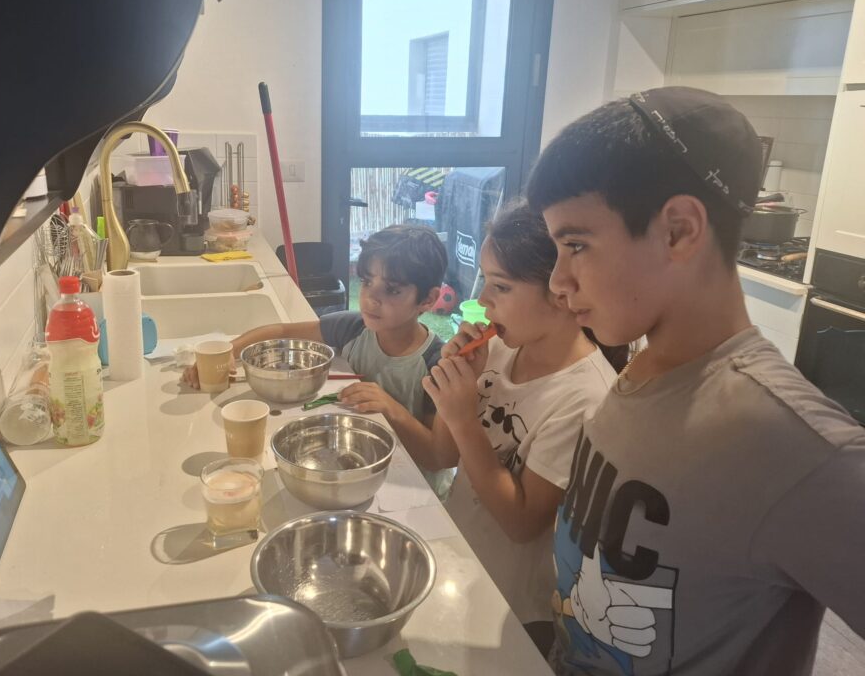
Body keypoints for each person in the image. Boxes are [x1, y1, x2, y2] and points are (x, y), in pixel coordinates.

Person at [526, 86, 865, 675]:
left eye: (575, 245)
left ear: (679, 231)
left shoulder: (786, 440)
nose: (557, 281)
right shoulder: (641, 363)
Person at [385, 202, 621, 655]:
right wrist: (456, 385)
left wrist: (463, 417)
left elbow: (521, 522)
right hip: (461, 563)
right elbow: (443, 456)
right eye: (486, 282)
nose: (483, 299)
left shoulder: (587, 399)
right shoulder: (500, 350)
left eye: (501, 286)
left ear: (560, 291)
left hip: (513, 608)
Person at [183, 223, 453, 493]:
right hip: (354, 469)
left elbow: (438, 458)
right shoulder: (353, 328)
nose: (371, 298)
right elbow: (281, 332)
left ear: (428, 300)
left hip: (412, 490)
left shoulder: (438, 365)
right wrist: (226, 353)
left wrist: (390, 408)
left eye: (392, 290)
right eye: (368, 281)